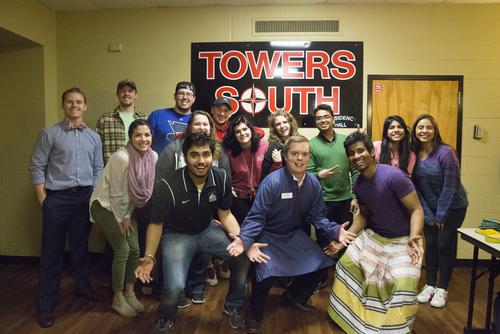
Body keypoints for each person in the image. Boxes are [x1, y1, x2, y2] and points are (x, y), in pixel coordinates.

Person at [226, 135, 357, 334]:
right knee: (266, 275)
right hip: (267, 236)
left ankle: (294, 296)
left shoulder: (313, 183)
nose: (300, 158)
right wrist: (244, 240)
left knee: (321, 263)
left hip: (292, 235)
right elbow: (256, 217)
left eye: (304, 154)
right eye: (295, 154)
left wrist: (336, 231)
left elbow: (318, 217)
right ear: (286, 156)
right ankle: (254, 314)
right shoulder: (271, 182)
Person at [135, 132, 250, 334]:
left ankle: (233, 304)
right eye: (194, 155)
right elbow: (156, 223)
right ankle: (166, 316)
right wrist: (150, 257)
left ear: (212, 156)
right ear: (185, 156)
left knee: (241, 257)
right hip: (177, 235)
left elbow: (226, 215)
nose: (200, 160)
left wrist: (242, 240)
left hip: (207, 230)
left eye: (205, 154)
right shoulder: (169, 184)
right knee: (174, 286)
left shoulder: (221, 177)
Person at [327, 131, 424, 334]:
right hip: (374, 237)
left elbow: (416, 209)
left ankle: (398, 328)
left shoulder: (394, 177)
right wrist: (342, 242)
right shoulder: (359, 184)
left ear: (372, 152)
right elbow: (364, 215)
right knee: (346, 265)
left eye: (360, 150)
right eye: (352, 153)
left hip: (404, 240)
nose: (356, 156)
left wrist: (415, 236)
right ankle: (346, 316)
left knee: (402, 283)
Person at [29, 87, 104, 328]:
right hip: (57, 199)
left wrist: (94, 198)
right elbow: (37, 166)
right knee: (52, 253)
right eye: (70, 102)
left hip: (84, 198)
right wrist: (44, 200)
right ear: (63, 105)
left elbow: (98, 169)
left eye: (79, 102)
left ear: (85, 106)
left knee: (81, 248)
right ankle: (46, 305)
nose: (74, 105)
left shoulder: (94, 136)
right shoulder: (49, 134)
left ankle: (82, 289)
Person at [156, 110, 231, 294]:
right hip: (177, 216)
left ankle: (197, 287)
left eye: (205, 124)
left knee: (202, 254)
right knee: (177, 263)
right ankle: (176, 295)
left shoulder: (217, 149)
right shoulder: (174, 148)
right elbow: (161, 181)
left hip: (206, 207)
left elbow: (224, 175)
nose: (202, 127)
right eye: (197, 124)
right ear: (190, 127)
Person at [90, 119, 157, 317]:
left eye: (147, 135)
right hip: (105, 205)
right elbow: (116, 193)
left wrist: (127, 214)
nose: (143, 139)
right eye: (138, 135)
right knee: (122, 249)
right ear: (130, 137)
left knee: (136, 249)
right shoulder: (122, 157)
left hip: (127, 207)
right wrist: (122, 218)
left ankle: (129, 292)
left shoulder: (153, 156)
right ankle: (117, 298)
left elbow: (143, 190)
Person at [411, 114, 468, 308]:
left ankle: (442, 289)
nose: (424, 131)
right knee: (432, 245)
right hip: (429, 208)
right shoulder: (413, 153)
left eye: (428, 127)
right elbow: (415, 187)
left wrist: (441, 214)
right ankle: (429, 285)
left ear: (435, 131)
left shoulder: (445, 152)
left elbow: (451, 185)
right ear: (415, 131)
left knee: (444, 245)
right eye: (420, 127)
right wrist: (427, 213)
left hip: (453, 207)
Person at [96, 79, 147, 289]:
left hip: (135, 186)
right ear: (118, 95)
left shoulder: (143, 118)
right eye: (123, 91)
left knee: (134, 237)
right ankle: (113, 282)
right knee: (115, 239)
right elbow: (97, 153)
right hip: (112, 186)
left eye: (130, 91)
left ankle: (131, 282)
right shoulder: (106, 119)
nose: (127, 94)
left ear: (136, 95)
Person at [306, 103, 359, 289]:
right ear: (316, 122)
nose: (323, 120)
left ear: (333, 119)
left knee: (345, 240)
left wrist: (354, 196)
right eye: (319, 118)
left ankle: (344, 279)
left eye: (326, 117)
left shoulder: (346, 142)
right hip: (322, 202)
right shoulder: (311, 145)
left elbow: (356, 170)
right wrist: (320, 175)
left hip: (345, 201)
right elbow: (307, 175)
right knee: (323, 241)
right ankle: (321, 278)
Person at [223, 115, 275, 225]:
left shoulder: (264, 146)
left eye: (245, 129)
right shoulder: (230, 152)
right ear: (234, 135)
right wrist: (228, 187)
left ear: (250, 129)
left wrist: (278, 162)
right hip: (239, 198)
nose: (242, 133)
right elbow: (225, 174)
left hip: (261, 196)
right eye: (238, 132)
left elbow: (273, 173)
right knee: (244, 228)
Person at [148, 81, 196, 153]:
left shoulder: (198, 120)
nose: (185, 97)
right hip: (159, 163)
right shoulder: (157, 116)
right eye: (181, 93)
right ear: (175, 96)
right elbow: (145, 142)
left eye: (189, 94)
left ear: (194, 99)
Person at [260, 110, 299, 181]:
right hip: (280, 187)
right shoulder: (273, 147)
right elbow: (265, 176)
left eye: (285, 122)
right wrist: (277, 163)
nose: (282, 126)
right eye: (278, 124)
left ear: (290, 123)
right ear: (274, 128)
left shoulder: (299, 141)